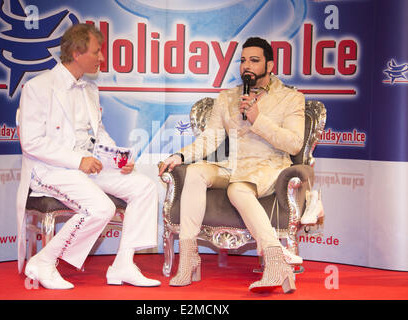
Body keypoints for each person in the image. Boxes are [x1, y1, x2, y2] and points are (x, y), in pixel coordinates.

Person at [16, 23, 160, 289]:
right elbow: (32, 143)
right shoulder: (38, 87)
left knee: (144, 187)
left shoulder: (90, 89)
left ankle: (123, 264)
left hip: (88, 167)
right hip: (51, 170)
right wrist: (77, 161)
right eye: (97, 51)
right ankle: (44, 261)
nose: (102, 58)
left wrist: (118, 157)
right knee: (101, 207)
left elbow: (99, 134)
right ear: (77, 53)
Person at [158, 37, 305, 293]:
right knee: (194, 173)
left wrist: (258, 120)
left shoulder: (291, 98)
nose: (247, 66)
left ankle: (274, 261)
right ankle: (189, 256)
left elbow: (294, 145)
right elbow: (210, 139)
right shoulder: (227, 98)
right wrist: (180, 156)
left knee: (237, 189)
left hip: (268, 166)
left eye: (254, 60)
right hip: (232, 165)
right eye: (243, 60)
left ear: (270, 65)